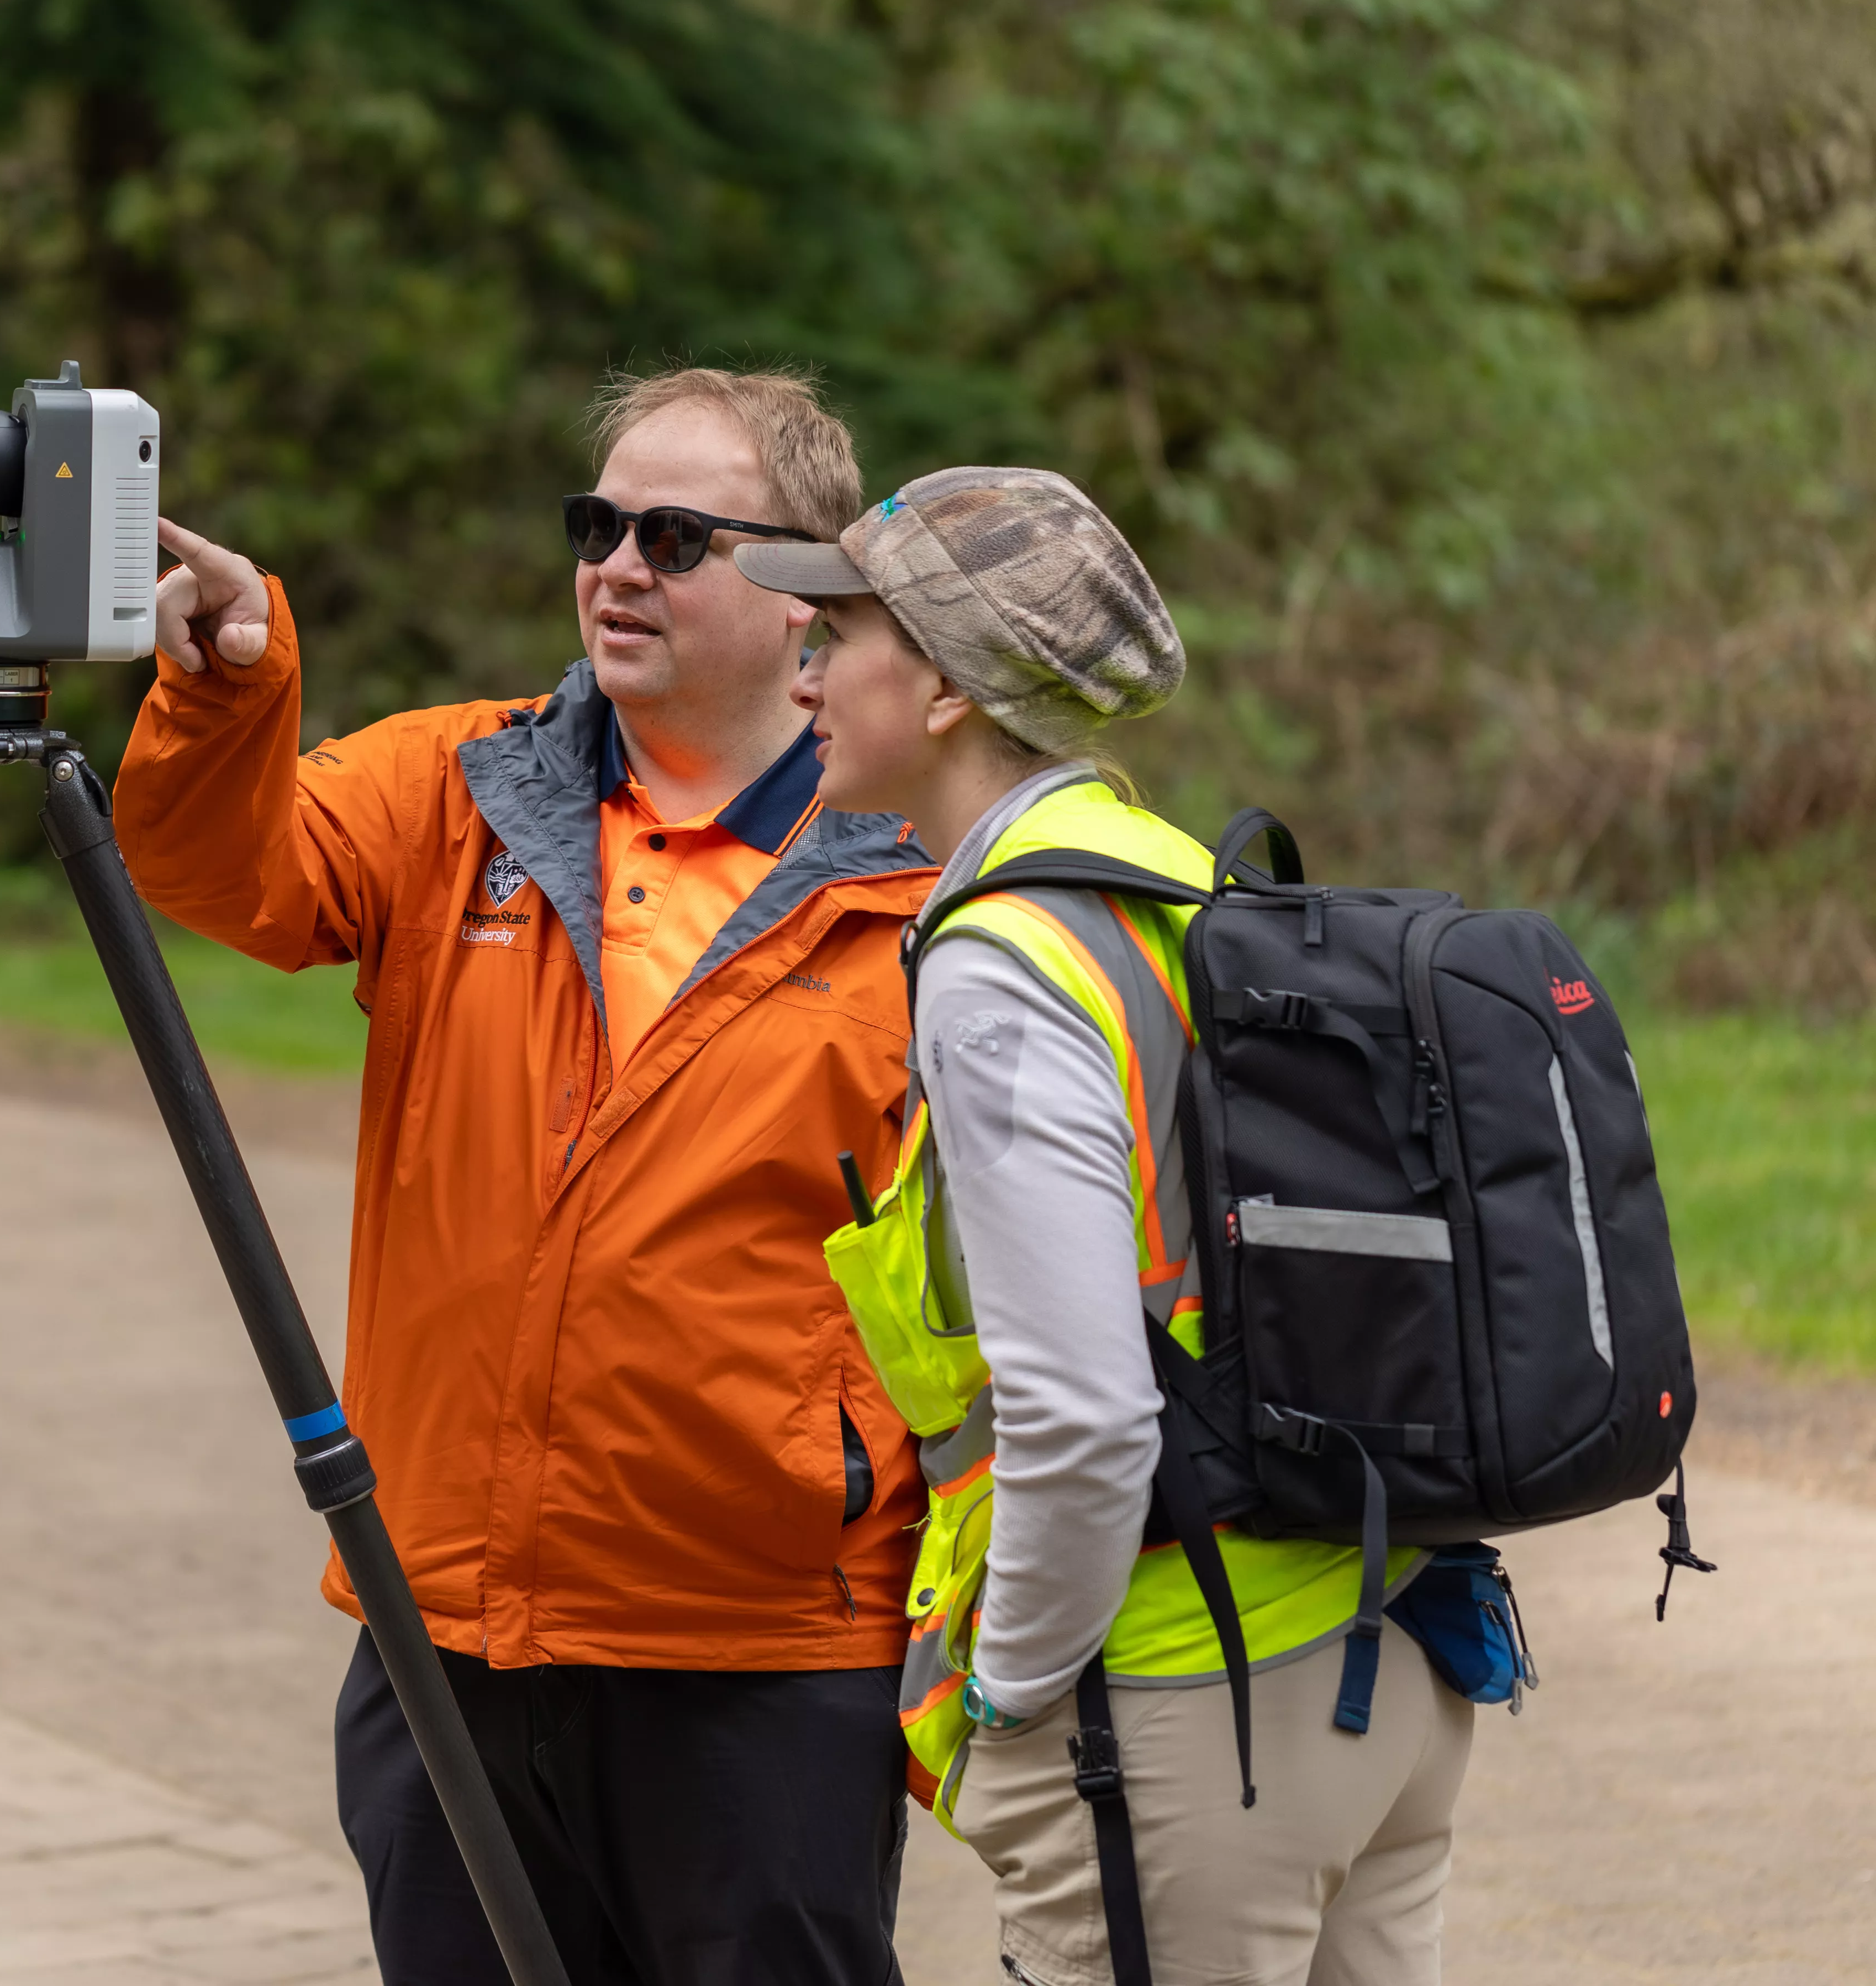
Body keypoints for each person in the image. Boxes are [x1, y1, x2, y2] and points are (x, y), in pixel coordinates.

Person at [115, 369, 939, 1985]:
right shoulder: (460, 791)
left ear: (808, 600)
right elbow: (232, 871)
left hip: (761, 1644)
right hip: (452, 1636)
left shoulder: (922, 871)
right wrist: (225, 690)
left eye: (678, 536)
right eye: (600, 525)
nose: (618, 567)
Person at [749, 470, 1472, 1986]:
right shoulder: (1180, 885)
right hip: (1370, 1652)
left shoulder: (1004, 959)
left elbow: (1083, 1415)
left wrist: (1008, 1694)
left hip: (1184, 1703)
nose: (806, 672)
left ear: (942, 686)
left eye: (841, 633)